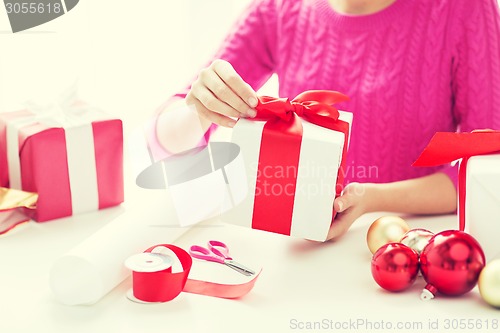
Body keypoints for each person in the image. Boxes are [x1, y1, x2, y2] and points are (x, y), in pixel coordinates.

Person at [153, 0, 500, 240]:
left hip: (407, 250)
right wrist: (198, 110)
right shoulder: (280, 8)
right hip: (298, 253)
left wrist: (371, 199)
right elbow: (164, 138)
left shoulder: (464, 9)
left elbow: (486, 166)